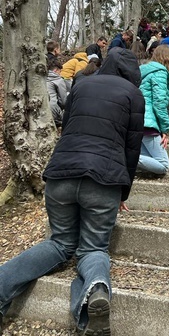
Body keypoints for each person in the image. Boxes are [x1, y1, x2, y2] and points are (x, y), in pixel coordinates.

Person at [0, 47, 145, 336]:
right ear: (133, 74)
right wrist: (122, 193)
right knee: (92, 248)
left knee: (58, 244)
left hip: (60, 173)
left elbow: (66, 128)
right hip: (104, 179)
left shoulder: (81, 82)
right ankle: (93, 296)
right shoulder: (134, 95)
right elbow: (132, 149)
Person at [137, 45, 169, 175]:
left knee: (144, 156)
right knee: (163, 165)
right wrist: (165, 129)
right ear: (165, 59)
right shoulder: (160, 73)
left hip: (138, 119)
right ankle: (123, 158)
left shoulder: (142, 71)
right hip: (148, 123)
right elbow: (159, 102)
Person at [46, 58, 68, 127]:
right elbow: (63, 102)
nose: (60, 73)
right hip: (53, 110)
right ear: (56, 70)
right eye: (60, 71)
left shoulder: (42, 77)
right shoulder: (58, 79)